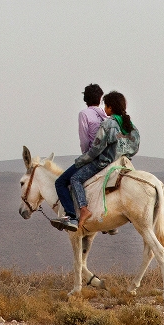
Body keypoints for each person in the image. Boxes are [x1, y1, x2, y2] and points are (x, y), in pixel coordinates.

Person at [57, 90, 142, 232]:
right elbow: (135, 148)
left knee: (75, 178)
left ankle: (81, 210)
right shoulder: (132, 127)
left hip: (104, 163)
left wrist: (81, 160)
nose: (104, 109)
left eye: (106, 106)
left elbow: (95, 149)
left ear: (110, 108)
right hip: (123, 163)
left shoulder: (108, 124)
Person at [49, 84, 107, 231]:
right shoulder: (105, 114)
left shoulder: (84, 114)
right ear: (100, 99)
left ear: (85, 99)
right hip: (108, 157)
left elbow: (84, 140)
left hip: (92, 156)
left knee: (61, 182)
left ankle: (72, 215)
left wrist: (84, 157)